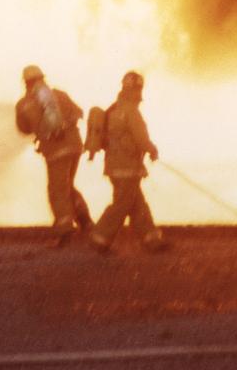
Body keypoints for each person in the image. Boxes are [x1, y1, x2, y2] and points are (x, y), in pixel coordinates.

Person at [87, 71, 168, 255]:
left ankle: (151, 239)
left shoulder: (113, 109)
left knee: (136, 202)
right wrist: (152, 149)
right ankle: (99, 237)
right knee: (123, 203)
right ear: (137, 89)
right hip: (127, 167)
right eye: (139, 89)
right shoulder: (131, 111)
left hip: (114, 166)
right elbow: (141, 138)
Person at [15, 64, 93, 247]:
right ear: (42, 78)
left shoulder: (25, 103)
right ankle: (85, 221)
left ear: (26, 82)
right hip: (75, 146)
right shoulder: (60, 94)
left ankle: (64, 230)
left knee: (57, 190)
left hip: (56, 151)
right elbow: (78, 112)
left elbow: (24, 129)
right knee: (67, 186)